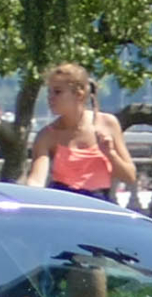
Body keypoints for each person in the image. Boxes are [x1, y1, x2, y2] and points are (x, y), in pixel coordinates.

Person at [21, 61, 137, 200]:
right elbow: (36, 179)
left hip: (99, 205)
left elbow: (130, 176)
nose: (50, 98)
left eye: (57, 92)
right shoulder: (47, 135)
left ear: (79, 94)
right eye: (49, 92)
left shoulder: (108, 124)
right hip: (63, 205)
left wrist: (110, 154)